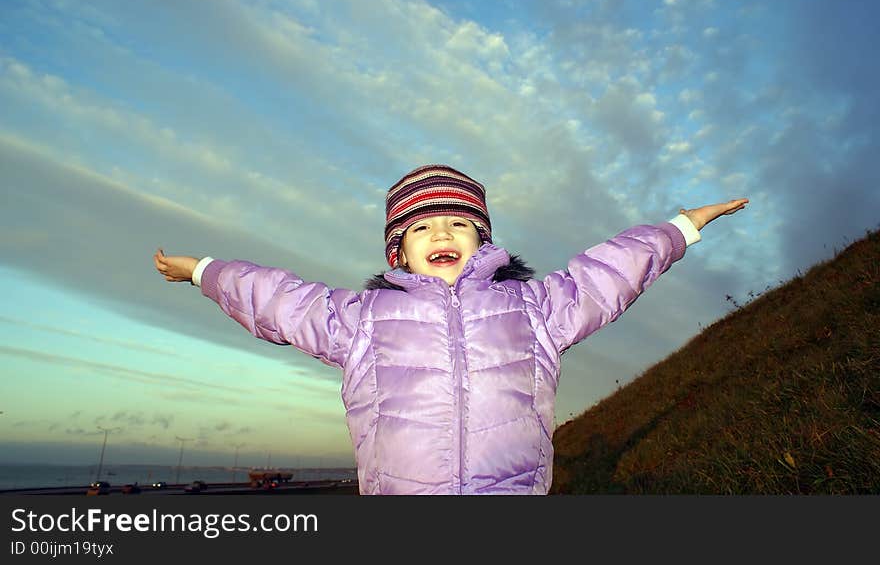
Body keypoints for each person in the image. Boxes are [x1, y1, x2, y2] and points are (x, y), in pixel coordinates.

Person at [153, 164, 748, 495]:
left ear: (481, 240)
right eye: (422, 228)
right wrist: (205, 271)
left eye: (459, 223)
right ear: (400, 252)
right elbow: (278, 299)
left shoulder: (533, 307)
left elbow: (606, 276)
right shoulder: (361, 319)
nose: (441, 234)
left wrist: (681, 227)